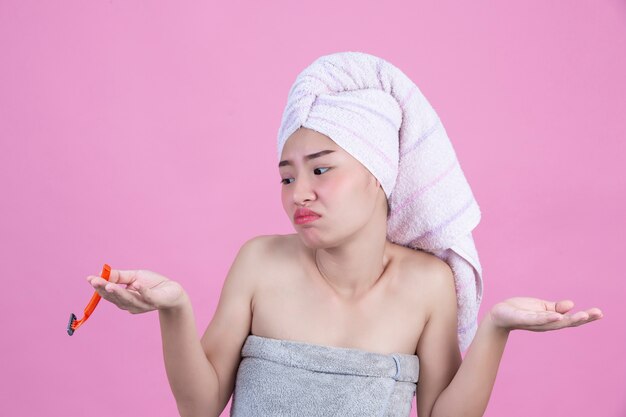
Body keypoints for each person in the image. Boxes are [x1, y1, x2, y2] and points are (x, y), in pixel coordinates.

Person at [85, 52, 603, 417]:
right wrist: (174, 308)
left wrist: (495, 329)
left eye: (321, 169)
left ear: (379, 174)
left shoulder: (428, 284)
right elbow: (199, 407)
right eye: (286, 176)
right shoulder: (260, 263)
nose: (299, 194)